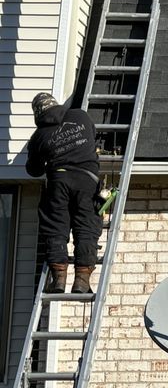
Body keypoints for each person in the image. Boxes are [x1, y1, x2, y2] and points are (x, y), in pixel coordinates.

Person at [25, 92, 102, 294]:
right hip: (87, 180)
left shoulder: (38, 136)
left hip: (59, 181)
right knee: (86, 226)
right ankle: (82, 282)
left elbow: (34, 170)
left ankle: (58, 280)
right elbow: (93, 137)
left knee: (56, 227)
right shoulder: (81, 116)